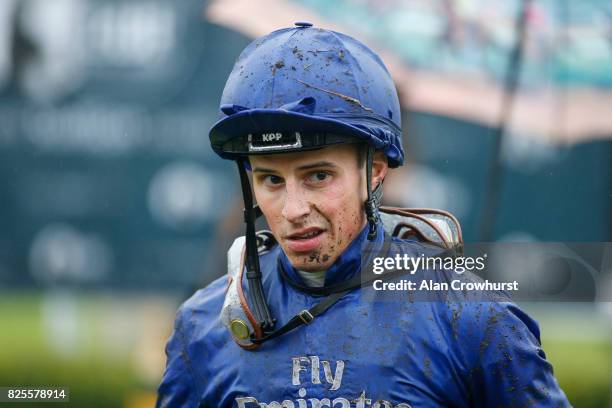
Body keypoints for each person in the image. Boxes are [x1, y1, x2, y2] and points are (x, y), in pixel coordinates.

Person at [156, 22, 570, 407]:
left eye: (318, 175)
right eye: (271, 180)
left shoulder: (474, 320)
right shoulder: (202, 326)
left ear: (373, 172)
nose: (294, 210)